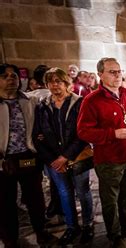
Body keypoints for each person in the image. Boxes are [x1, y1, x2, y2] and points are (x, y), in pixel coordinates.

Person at [77, 58, 126, 247]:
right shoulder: (92, 100)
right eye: (112, 72)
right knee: (110, 199)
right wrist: (113, 133)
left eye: (119, 71)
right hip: (109, 160)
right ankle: (114, 234)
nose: (117, 75)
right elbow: (83, 131)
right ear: (100, 74)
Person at [33, 67, 94, 245]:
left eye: (58, 81)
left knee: (83, 192)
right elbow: (37, 135)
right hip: (54, 160)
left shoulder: (79, 103)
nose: (54, 85)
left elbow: (82, 134)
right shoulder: (42, 105)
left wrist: (65, 157)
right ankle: (71, 226)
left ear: (66, 83)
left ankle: (88, 225)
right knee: (64, 193)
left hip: (77, 156)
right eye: (50, 82)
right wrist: (53, 159)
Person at [0, 64, 54, 247]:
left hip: (27, 156)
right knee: (5, 203)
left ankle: (41, 231)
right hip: (4, 161)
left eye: (13, 76)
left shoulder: (29, 101)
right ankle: (10, 239)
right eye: (5, 76)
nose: (10, 80)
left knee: (36, 199)